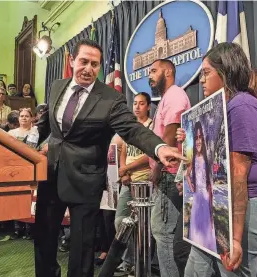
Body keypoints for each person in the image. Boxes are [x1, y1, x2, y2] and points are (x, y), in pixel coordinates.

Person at [34, 39, 184, 277]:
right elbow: (46, 128)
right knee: (44, 240)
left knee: (82, 250)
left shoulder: (110, 98)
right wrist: (30, 147)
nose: (88, 68)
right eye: (83, 61)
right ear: (72, 61)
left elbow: (132, 130)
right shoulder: (56, 86)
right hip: (51, 176)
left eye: (95, 64)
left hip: (85, 182)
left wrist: (159, 148)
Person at [176, 42, 257, 277]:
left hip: (248, 202)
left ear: (226, 71)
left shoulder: (242, 105)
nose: (201, 80)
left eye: (206, 72)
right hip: (219, 203)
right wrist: (189, 138)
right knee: (195, 268)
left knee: (232, 270)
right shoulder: (224, 107)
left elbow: (238, 172)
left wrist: (235, 237)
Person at [148, 59, 191, 277]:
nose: (150, 76)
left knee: (163, 231)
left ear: (168, 71)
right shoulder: (166, 98)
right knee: (165, 232)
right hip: (167, 174)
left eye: (154, 71)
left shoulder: (174, 95)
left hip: (170, 173)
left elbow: (170, 137)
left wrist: (157, 166)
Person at [114, 92, 153, 276]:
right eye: (135, 103)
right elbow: (123, 149)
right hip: (127, 182)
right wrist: (123, 171)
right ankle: (129, 259)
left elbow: (150, 155)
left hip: (145, 182)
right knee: (120, 221)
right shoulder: (129, 127)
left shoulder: (151, 126)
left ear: (148, 106)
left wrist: (128, 167)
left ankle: (137, 263)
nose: (137, 107)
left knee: (143, 227)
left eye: (141, 103)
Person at [185, 121, 216, 252]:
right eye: (196, 137)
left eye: (200, 137)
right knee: (196, 232)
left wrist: (211, 208)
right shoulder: (193, 159)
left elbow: (210, 185)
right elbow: (187, 175)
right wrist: (192, 188)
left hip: (205, 197)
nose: (198, 141)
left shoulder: (207, 158)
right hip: (197, 198)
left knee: (206, 231)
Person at [8, 108, 39, 240]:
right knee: (16, 199)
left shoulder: (36, 132)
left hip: (32, 170)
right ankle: (17, 229)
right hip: (16, 170)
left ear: (32, 118)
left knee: (31, 200)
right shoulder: (11, 133)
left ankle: (30, 229)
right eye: (21, 116)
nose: (24, 118)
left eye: (27, 116)